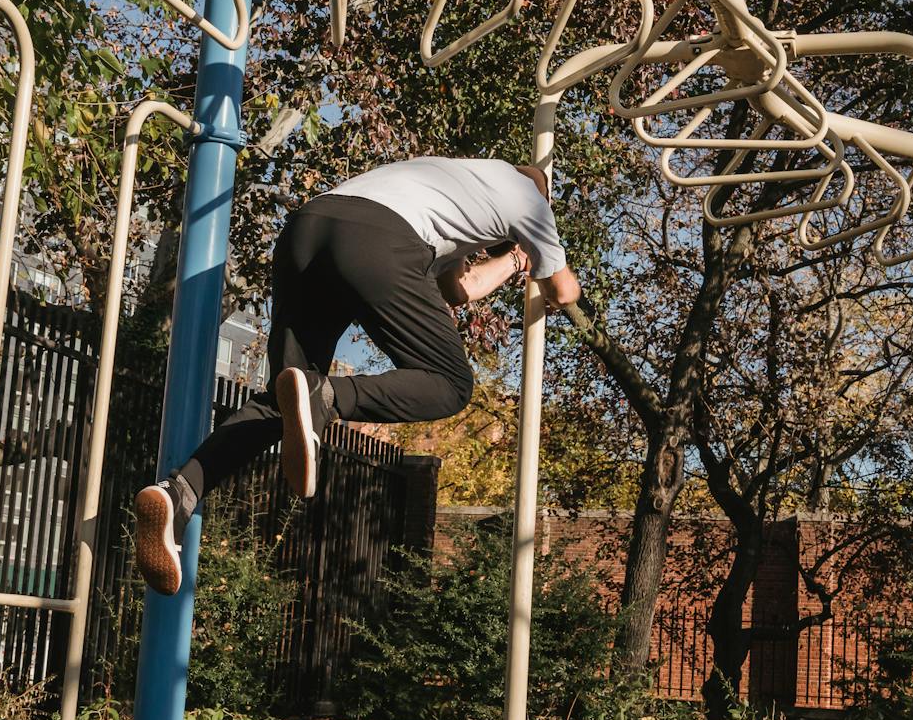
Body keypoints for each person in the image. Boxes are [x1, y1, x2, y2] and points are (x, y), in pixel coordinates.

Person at [133, 155, 581, 595]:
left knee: (285, 406)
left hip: (306, 232)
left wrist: (510, 262)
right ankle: (324, 396)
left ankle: (179, 493)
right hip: (379, 238)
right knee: (450, 384)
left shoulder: (456, 180)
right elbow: (563, 290)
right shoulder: (530, 199)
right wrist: (527, 259)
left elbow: (458, 290)